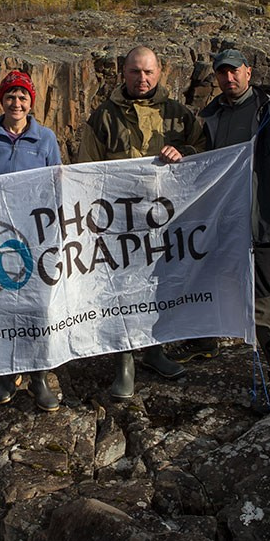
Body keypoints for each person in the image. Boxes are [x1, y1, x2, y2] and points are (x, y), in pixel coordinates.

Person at [77, 45, 207, 400]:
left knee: (159, 285)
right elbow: (85, 170)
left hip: (167, 222)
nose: (142, 78)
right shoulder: (103, 117)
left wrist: (186, 152)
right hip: (119, 225)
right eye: (135, 71)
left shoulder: (178, 114)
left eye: (148, 71)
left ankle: (154, 350)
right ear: (124, 72)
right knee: (121, 290)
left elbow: (205, 152)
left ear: (160, 71)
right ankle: (124, 362)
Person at [198, 48, 270, 412]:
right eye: (222, 72)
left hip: (257, 222)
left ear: (248, 72)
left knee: (263, 302)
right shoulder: (213, 115)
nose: (229, 77)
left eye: (235, 71)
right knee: (202, 280)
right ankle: (202, 341)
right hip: (223, 220)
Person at [0, 69, 63, 411]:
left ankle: (38, 375)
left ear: (31, 102)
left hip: (35, 234)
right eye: (10, 96)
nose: (16, 102)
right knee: (3, 302)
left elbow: (57, 183)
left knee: (39, 304)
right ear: (1, 100)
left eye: (22, 97)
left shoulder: (46, 138)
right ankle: (9, 371)